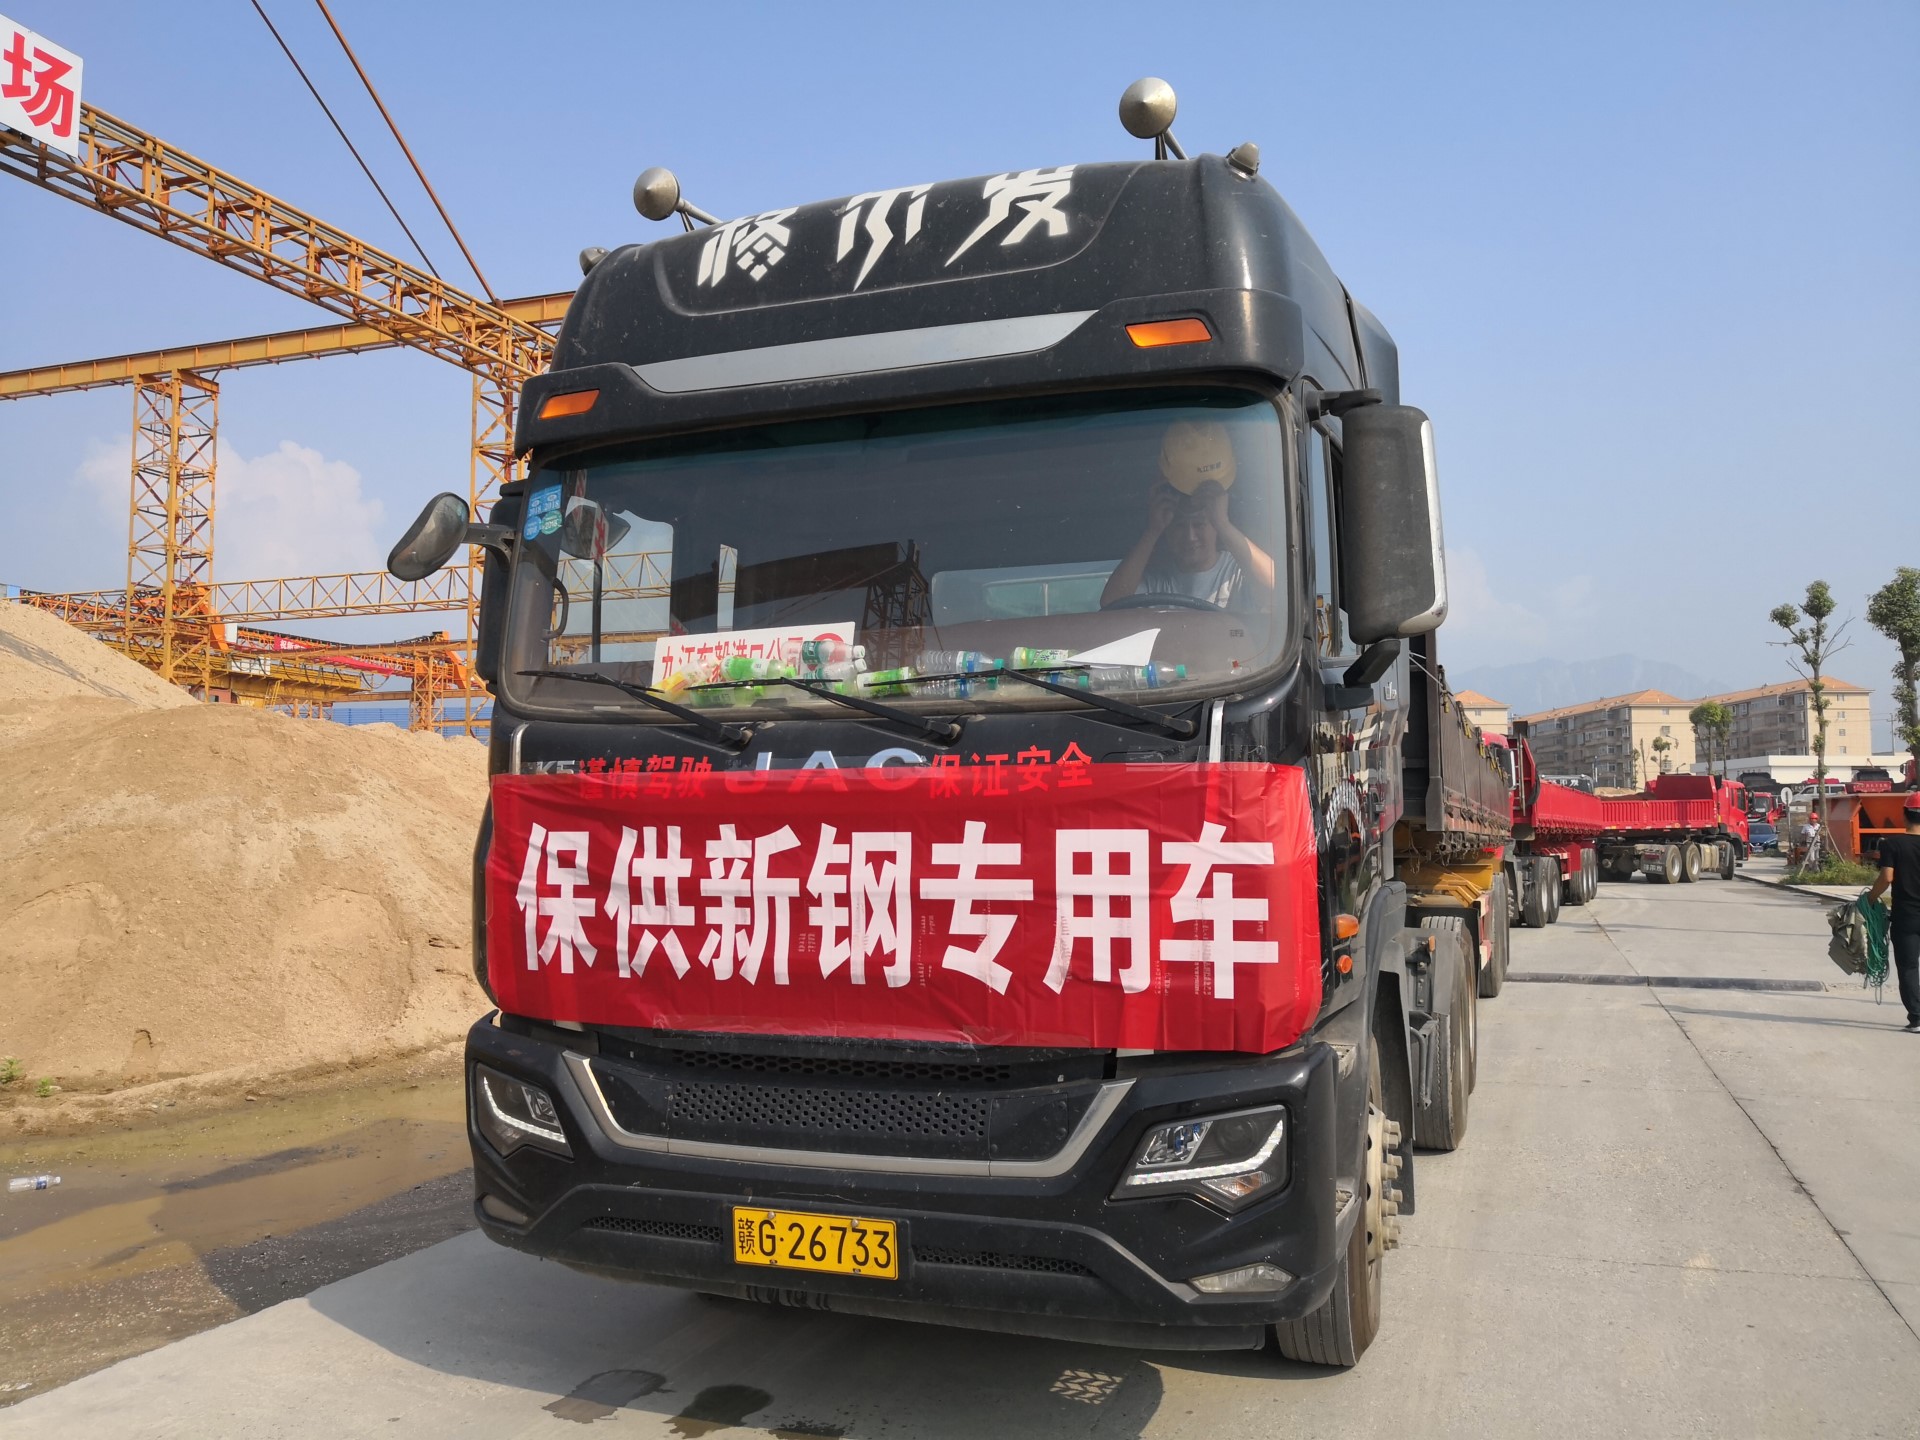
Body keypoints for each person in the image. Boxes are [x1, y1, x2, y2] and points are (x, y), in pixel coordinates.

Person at [1102, 419, 1275, 609]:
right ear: (1167, 531)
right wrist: (1152, 531)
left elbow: (1280, 592)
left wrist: (1224, 524)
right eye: (1179, 526)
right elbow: (1111, 604)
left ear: (1215, 527)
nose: (1190, 536)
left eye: (1199, 524)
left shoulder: (1239, 571)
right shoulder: (1157, 581)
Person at [1864, 794, 1920, 1032]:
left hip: (1906, 916)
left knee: (1909, 967)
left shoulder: (1892, 844)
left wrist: (1869, 899)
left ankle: (1917, 1017)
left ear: (1904, 815)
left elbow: (1887, 877)